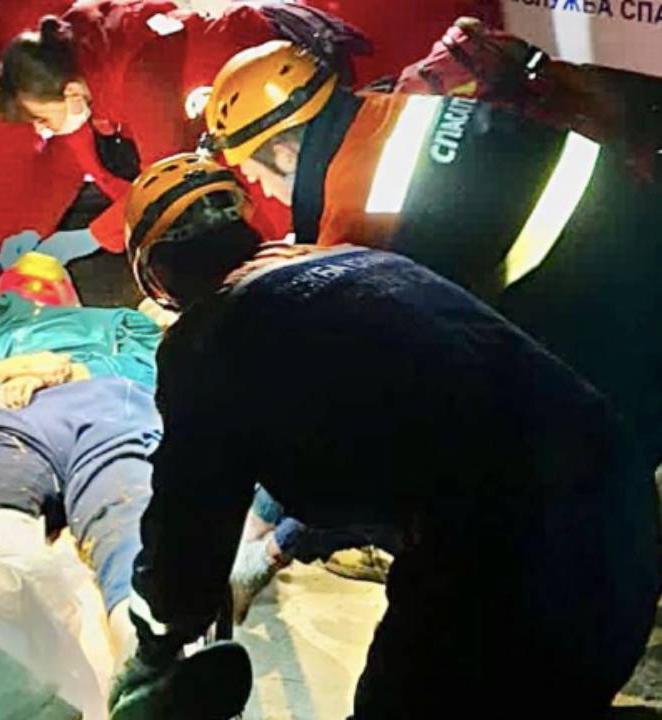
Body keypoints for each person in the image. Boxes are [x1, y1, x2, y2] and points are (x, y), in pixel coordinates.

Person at [106, 153, 660, 720]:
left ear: (160, 276)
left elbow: (187, 521)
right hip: (623, 506)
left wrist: (156, 642)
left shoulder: (206, 341)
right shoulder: (365, 264)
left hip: (512, 543)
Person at [202, 38, 662, 467]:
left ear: (284, 154)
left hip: (600, 297)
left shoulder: (354, 215)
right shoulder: (385, 111)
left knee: (594, 460)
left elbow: (383, 369)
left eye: (256, 176)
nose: (264, 191)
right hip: (629, 215)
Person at [0, 249, 247, 719]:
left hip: (107, 403)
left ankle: (147, 674)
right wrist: (20, 370)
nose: (37, 268)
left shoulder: (118, 321)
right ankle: (7, 670)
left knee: (129, 520)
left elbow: (160, 374)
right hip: (4, 412)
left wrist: (72, 371)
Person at [0, 0, 371, 302]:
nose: (42, 131)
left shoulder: (142, 74)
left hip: (257, 97)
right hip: (216, 112)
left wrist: (89, 238)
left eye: (41, 119)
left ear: (70, 93)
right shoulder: (70, 64)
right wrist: (38, 231)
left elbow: (168, 182)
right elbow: (78, 162)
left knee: (281, 205)